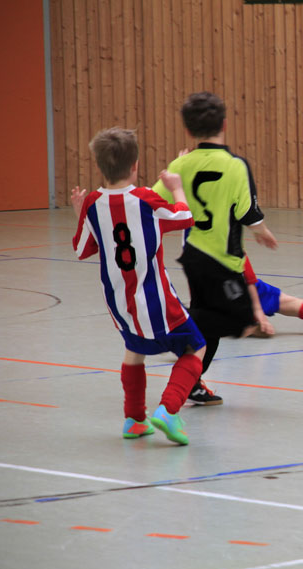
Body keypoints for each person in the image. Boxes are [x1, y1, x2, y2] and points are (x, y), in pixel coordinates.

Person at [71, 127, 204, 445]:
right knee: (196, 346)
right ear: (135, 165)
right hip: (155, 299)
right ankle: (169, 409)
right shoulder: (145, 198)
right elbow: (185, 218)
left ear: (99, 166)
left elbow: (82, 249)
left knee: (134, 349)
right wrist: (177, 188)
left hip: (120, 303)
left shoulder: (92, 203)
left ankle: (134, 419)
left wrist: (80, 213)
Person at [152, 91, 277, 406]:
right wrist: (262, 231)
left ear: (187, 130)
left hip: (194, 258)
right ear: (224, 124)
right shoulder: (236, 165)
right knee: (241, 321)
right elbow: (247, 213)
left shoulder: (181, 163)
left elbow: (153, 200)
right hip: (222, 262)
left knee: (209, 330)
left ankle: (192, 383)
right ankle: (177, 329)